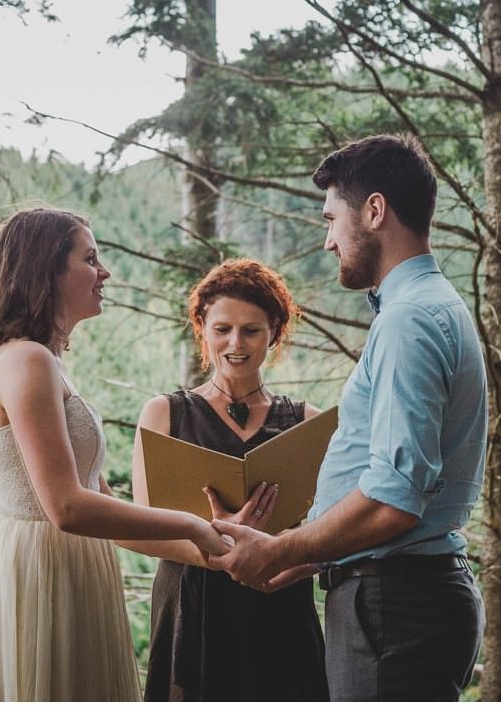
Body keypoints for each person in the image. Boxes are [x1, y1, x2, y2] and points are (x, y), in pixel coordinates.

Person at [208, 134, 488, 701]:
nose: (329, 240)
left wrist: (280, 549)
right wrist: (310, 555)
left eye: (331, 219)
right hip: (402, 602)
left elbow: (394, 498)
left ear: (375, 210)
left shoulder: (408, 320)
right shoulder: (428, 308)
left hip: (393, 609)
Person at [0, 207, 229, 702]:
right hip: (38, 575)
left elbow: (110, 510)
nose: (105, 272)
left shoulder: (46, 362)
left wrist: (215, 552)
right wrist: (191, 525)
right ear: (46, 270)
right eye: (90, 258)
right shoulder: (27, 360)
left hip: (71, 568)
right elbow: (66, 507)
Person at [132, 259, 330, 701]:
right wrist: (219, 547)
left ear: (275, 331)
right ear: (201, 327)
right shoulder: (164, 413)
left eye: (251, 331)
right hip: (191, 604)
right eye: (222, 329)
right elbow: (140, 527)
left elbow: (327, 527)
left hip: (277, 603)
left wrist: (288, 554)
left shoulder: (306, 422)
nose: (235, 343)